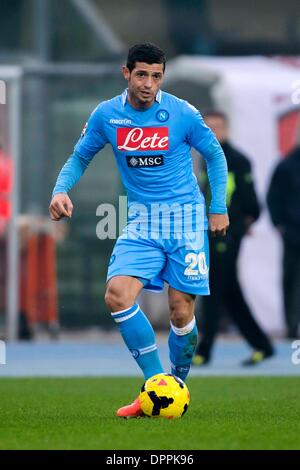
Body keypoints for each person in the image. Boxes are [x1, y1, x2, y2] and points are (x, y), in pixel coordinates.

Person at [49, 43, 229, 418]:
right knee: (117, 295)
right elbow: (81, 155)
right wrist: (60, 190)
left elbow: (214, 155)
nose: (149, 83)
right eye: (142, 74)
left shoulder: (182, 113)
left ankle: (177, 387)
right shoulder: (107, 116)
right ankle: (155, 384)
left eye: (156, 76)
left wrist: (218, 207)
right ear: (126, 73)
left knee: (180, 312)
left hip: (185, 220)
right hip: (143, 222)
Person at [193, 110, 274, 367]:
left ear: (227, 129)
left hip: (227, 233)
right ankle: (262, 345)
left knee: (213, 288)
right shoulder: (204, 159)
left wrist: (240, 222)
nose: (214, 131)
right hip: (210, 232)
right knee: (229, 292)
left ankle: (203, 351)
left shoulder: (237, 160)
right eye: (209, 126)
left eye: (218, 126)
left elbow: (251, 202)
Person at [267, 142, 300, 339]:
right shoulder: (287, 165)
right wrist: (279, 224)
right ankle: (291, 326)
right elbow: (273, 196)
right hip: (294, 234)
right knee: (290, 281)